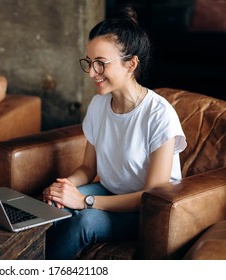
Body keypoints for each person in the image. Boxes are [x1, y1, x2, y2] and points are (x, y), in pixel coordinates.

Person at [42, 7, 187, 260]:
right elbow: (88, 167)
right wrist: (64, 186)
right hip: (110, 193)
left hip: (148, 211)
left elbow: (152, 195)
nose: (91, 72)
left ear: (130, 64)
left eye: (101, 64)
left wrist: (85, 200)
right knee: (57, 208)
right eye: (89, 62)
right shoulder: (99, 105)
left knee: (83, 222)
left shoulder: (159, 114)